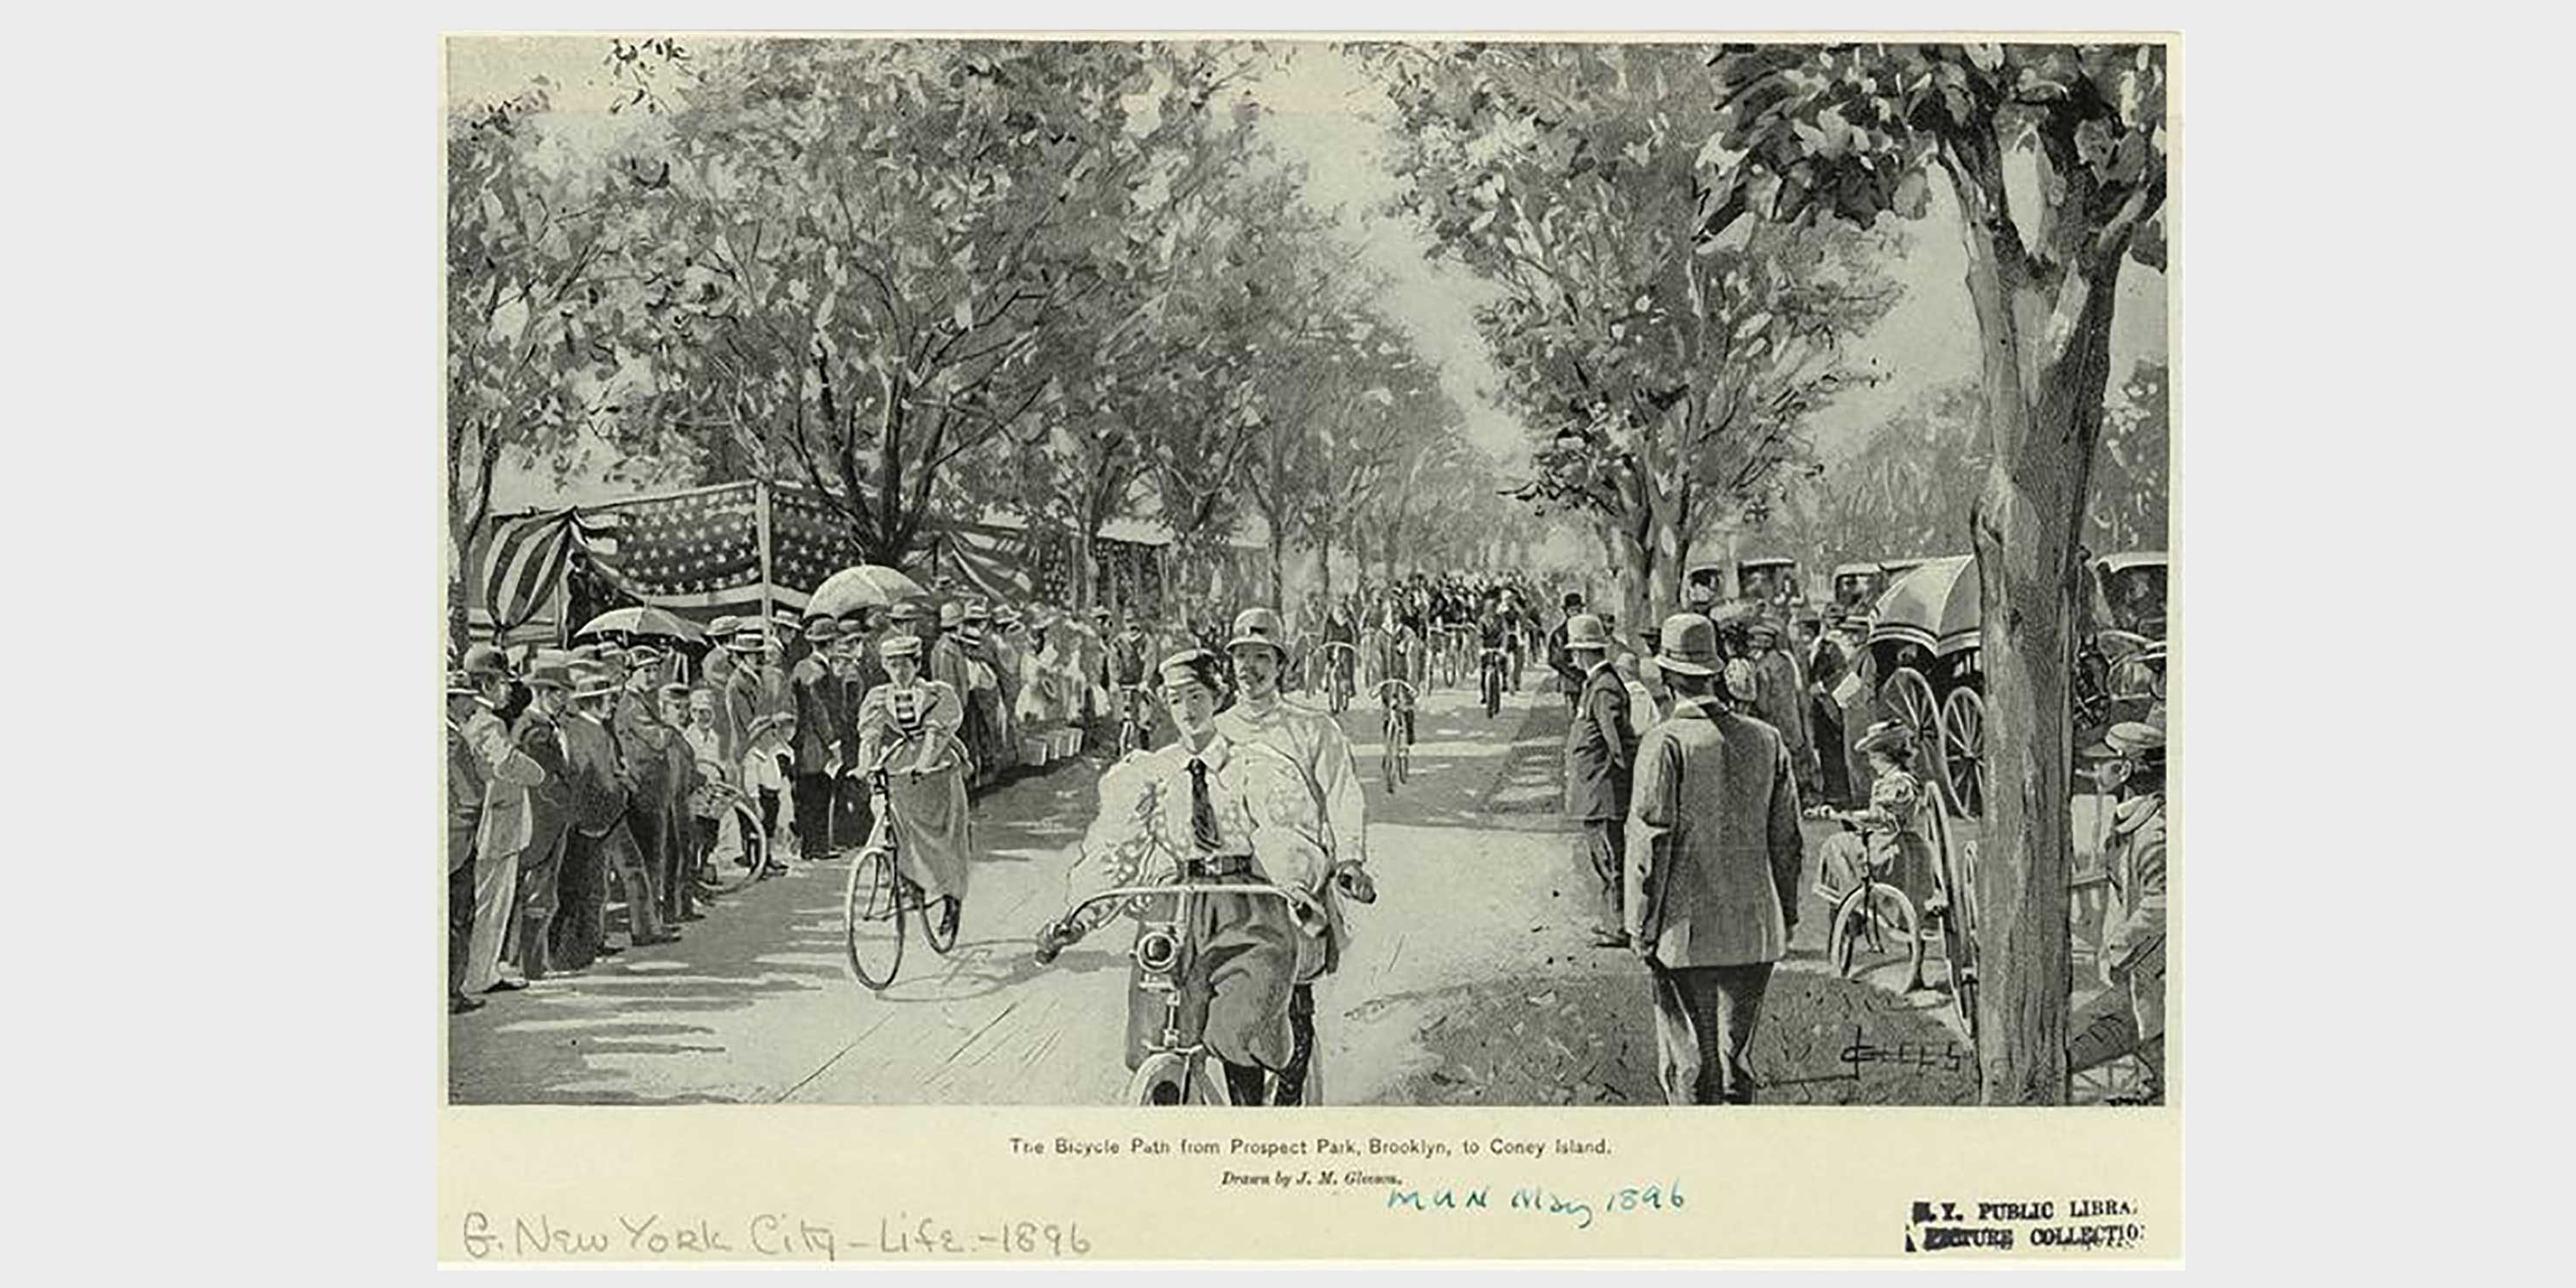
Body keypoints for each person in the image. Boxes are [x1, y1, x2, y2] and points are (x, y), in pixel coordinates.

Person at [1037, 649, 1370, 1106]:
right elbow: (1115, 849)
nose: (1188, 709)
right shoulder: (1147, 773)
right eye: (1176, 700)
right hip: (1178, 910)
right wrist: (1078, 918)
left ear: (1216, 697)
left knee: (1240, 1026)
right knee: (1155, 1031)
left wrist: (1294, 885)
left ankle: (1256, 1122)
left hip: (1247, 908)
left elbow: (1282, 833)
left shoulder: (1255, 765)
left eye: (1196, 696)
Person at [1624, 614, 1806, 1106]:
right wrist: (1786, 911)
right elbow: (1788, 840)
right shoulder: (1766, 739)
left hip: (1684, 930)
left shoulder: (1663, 743)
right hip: (1755, 928)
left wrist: (1640, 925)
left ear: (1666, 676)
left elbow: (1649, 843)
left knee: (1691, 1067)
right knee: (1734, 1062)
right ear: (1716, 673)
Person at [1212, 609, 1376, 1102]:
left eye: (1262, 657)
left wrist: (1349, 859)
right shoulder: (1215, 729)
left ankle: (1288, 1102)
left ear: (1281, 665)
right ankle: (1246, 1111)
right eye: (1241, 657)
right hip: (1234, 885)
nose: (1250, 668)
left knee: (1293, 988)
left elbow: (1343, 793)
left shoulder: (1311, 728)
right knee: (1229, 991)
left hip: (1294, 882)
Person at [2068, 717, 2168, 1103]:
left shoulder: (2154, 831)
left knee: (2133, 1026)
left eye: (2102, 762)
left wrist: (2119, 944)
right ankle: (2154, 1087)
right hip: (2140, 966)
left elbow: (2162, 902)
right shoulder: (2132, 817)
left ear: (2125, 769)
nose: (2093, 769)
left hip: (2152, 962)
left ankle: (2157, 1089)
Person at [852, 633, 973, 935]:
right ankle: (907, 881)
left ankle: (951, 901)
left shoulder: (938, 693)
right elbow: (870, 736)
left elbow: (936, 733)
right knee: (893, 822)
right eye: (892, 665)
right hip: (901, 764)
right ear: (884, 666)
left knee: (945, 839)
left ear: (917, 664)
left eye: (904, 664)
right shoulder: (878, 697)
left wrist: (926, 763)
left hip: (938, 771)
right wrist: (865, 766)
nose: (899, 671)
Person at [448, 647, 546, 1013]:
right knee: (491, 904)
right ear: (486, 684)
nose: (507, 690)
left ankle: (484, 972)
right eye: (502, 683)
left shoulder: (475, 720)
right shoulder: (489, 723)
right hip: (497, 822)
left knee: (491, 902)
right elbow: (505, 761)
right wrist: (536, 773)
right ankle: (478, 975)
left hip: (490, 820)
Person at [1808, 721, 1942, 988]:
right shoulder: (1895, 780)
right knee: (1842, 843)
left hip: (1889, 849)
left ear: (1884, 755)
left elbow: (1883, 819)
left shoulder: (1898, 782)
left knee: (1834, 845)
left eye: (1872, 756)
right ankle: (1852, 911)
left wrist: (1840, 814)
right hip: (1899, 845)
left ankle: (1851, 904)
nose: (1870, 762)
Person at [1560, 613, 1636, 949]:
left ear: (1586, 652)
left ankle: (1619, 925)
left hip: (1604, 792)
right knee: (1604, 860)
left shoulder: (1604, 688)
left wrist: (1621, 785)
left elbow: (1618, 744)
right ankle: (1612, 920)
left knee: (1611, 861)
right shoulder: (1597, 684)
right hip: (1595, 790)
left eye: (1576, 651)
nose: (1573, 657)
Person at [507, 655, 577, 984]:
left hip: (546, 821)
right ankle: (532, 966)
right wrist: (569, 802)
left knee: (539, 893)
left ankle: (527, 962)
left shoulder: (543, 726)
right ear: (544, 693)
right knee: (539, 894)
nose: (564, 699)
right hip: (540, 822)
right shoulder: (534, 731)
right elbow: (545, 780)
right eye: (559, 693)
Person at [787, 617, 847, 860]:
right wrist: (833, 743)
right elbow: (819, 710)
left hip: (806, 743)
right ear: (830, 644)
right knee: (817, 794)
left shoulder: (805, 666)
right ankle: (816, 846)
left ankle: (812, 845)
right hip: (815, 744)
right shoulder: (816, 671)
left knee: (810, 795)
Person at [1748, 618, 1820, 800]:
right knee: (1795, 753)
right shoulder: (1785, 661)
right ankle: (1803, 793)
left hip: (1774, 718)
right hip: (1791, 715)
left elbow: (1763, 703)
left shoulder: (1762, 666)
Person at [1548, 592, 1588, 711]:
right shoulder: (1559, 634)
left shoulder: (1588, 630)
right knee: (1574, 716)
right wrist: (1576, 676)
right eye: (1573, 610)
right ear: (1566, 611)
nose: (1576, 614)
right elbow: (1555, 660)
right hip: (1571, 682)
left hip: (1590, 678)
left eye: (1579, 610)